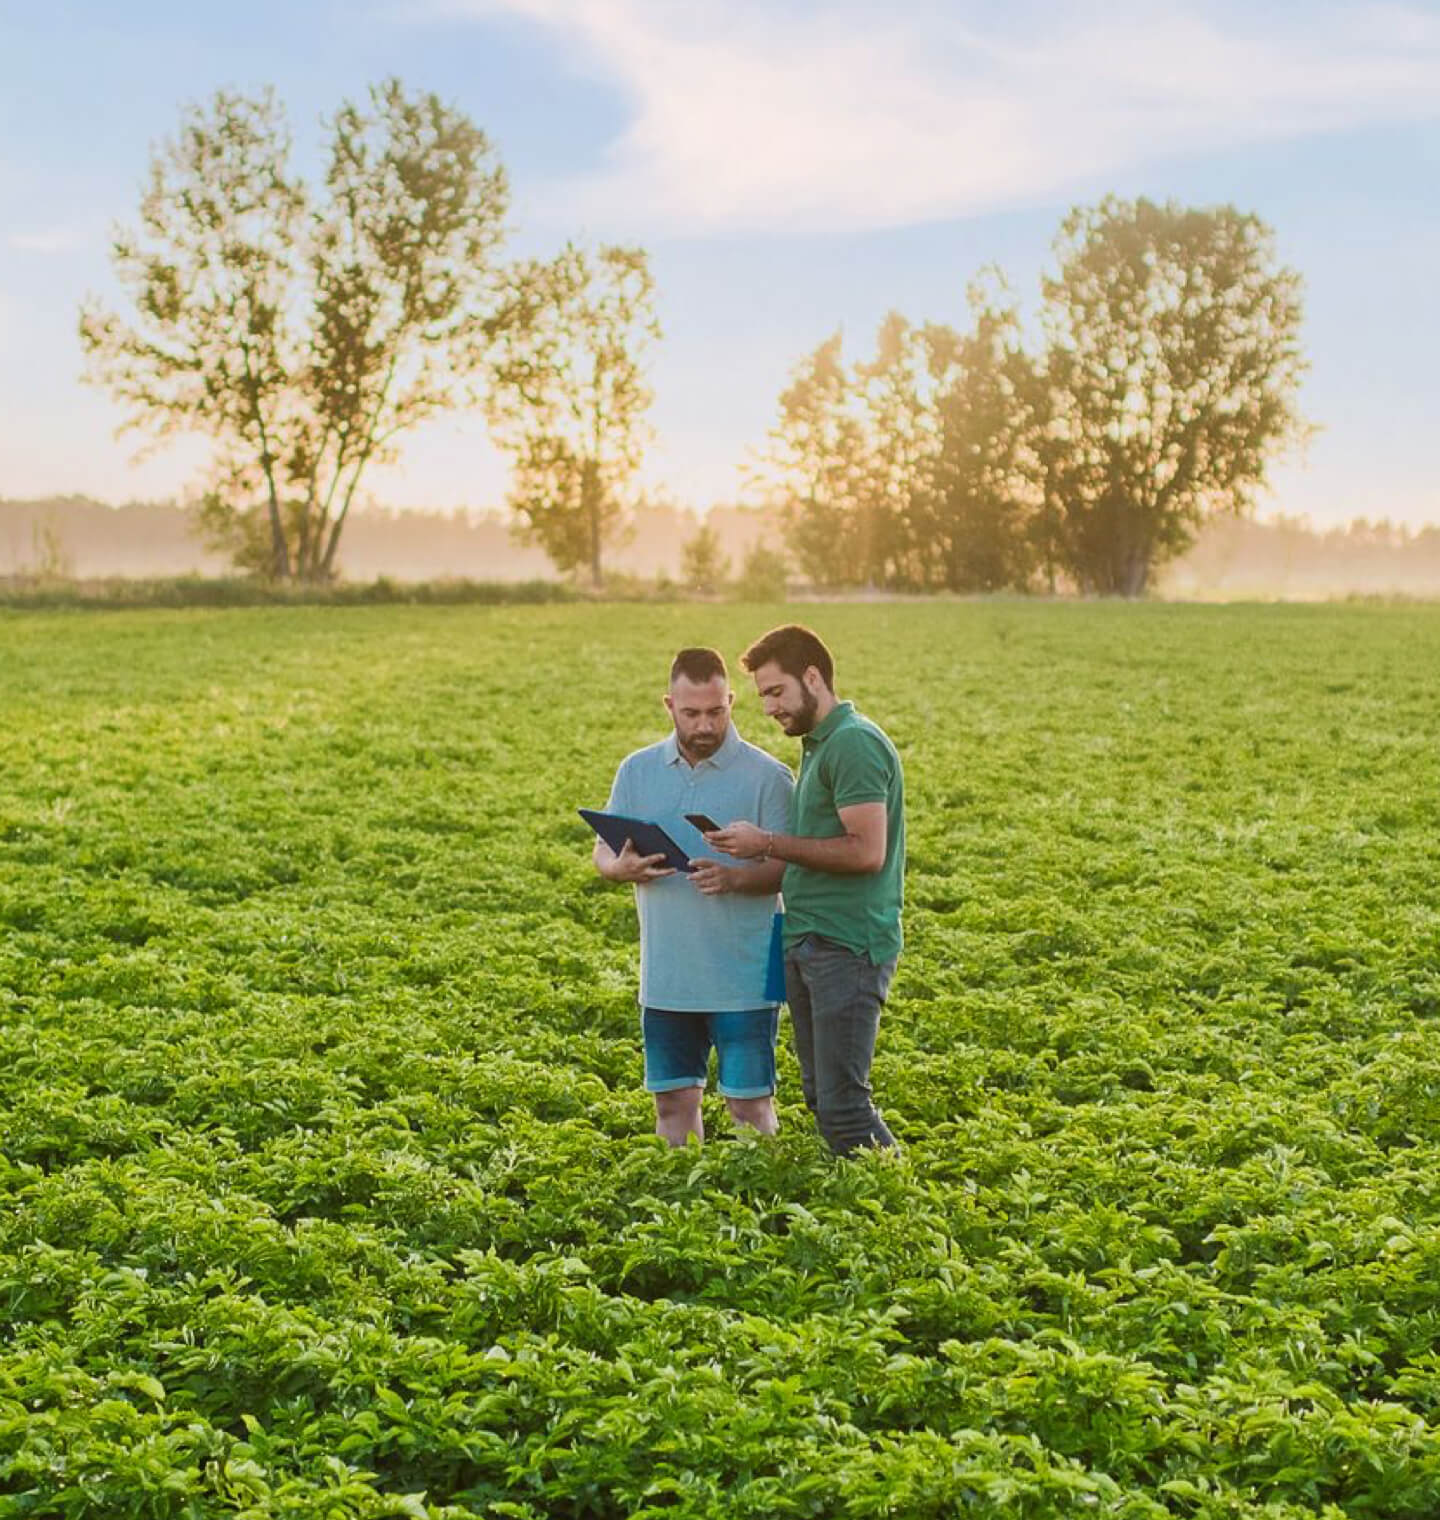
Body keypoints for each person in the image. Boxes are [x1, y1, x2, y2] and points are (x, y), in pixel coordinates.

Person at [707, 624, 904, 1155]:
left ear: (812, 677)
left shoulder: (854, 743)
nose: (769, 709)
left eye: (775, 692)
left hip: (847, 944)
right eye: (763, 697)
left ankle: (900, 1207)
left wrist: (768, 842)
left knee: (845, 1107)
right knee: (824, 1098)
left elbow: (866, 851)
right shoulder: (820, 745)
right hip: (811, 938)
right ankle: (867, 1206)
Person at [593, 647, 793, 1146]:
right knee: (672, 1100)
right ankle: (682, 1198)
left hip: (749, 973)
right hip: (667, 972)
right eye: (691, 713)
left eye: (716, 711)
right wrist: (620, 868)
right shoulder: (637, 771)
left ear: (731, 702)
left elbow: (794, 869)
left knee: (750, 1103)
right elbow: (603, 849)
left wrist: (734, 878)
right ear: (669, 706)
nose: (705, 725)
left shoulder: (769, 776)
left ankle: (762, 1207)